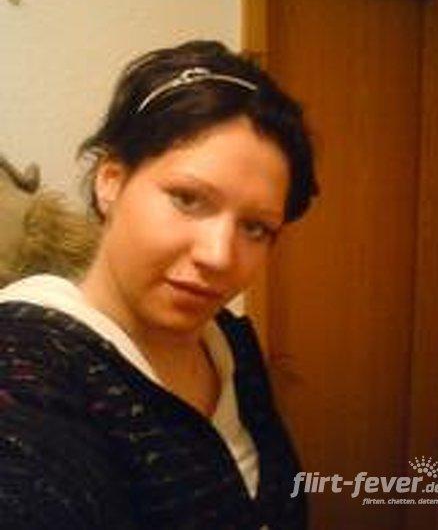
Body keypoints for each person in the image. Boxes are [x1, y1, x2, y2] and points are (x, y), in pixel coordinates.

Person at [0, 41, 317, 529]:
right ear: (110, 180)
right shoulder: (28, 366)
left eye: (255, 228)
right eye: (188, 199)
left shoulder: (230, 342)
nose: (219, 256)